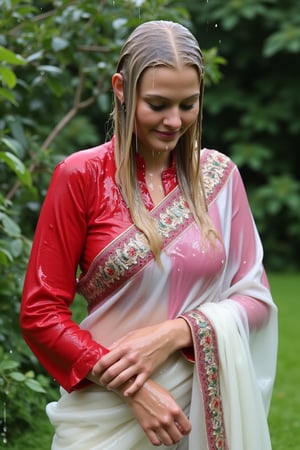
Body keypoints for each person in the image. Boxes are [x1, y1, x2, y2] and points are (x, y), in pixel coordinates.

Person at [20, 20, 277, 450]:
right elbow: (41, 313)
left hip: (200, 402)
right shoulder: (81, 176)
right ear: (122, 88)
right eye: (157, 104)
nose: (174, 121)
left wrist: (177, 332)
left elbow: (254, 299)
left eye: (189, 105)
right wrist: (134, 389)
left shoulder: (219, 177)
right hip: (106, 412)